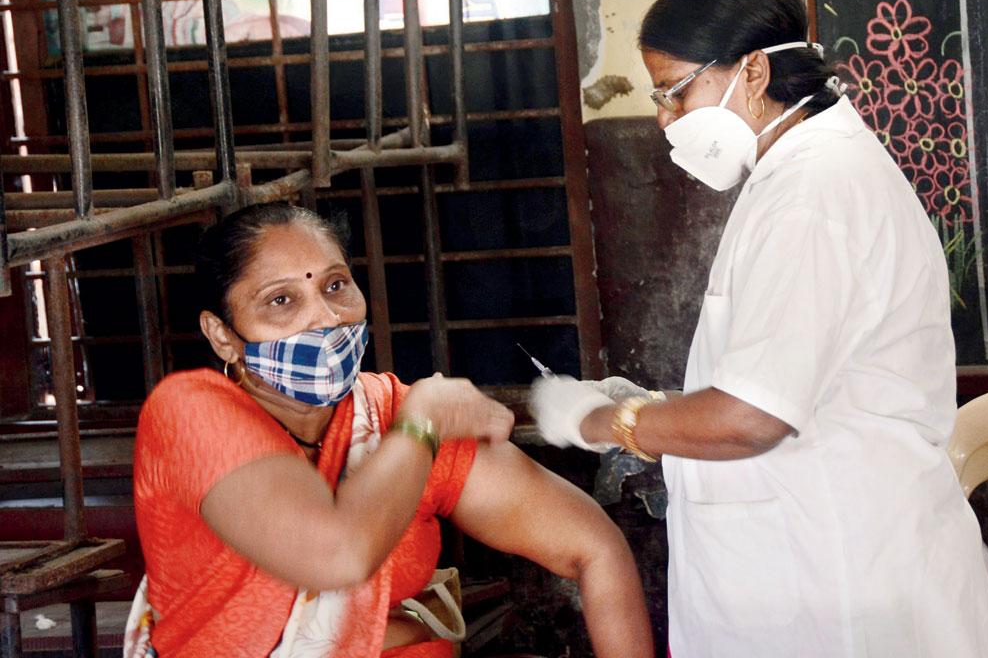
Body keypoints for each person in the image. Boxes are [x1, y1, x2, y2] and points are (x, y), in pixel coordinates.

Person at [530, 0, 988, 658]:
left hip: (839, 589)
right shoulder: (797, 174)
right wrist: (655, 403)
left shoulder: (813, 195)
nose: (663, 119)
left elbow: (752, 417)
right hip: (813, 567)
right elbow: (777, 375)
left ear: (752, 72)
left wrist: (606, 420)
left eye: (674, 93)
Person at [127, 202, 653, 658]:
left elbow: (594, 548)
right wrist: (421, 423)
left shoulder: (390, 412)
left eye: (336, 286)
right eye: (281, 301)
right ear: (223, 335)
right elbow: (336, 556)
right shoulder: (190, 412)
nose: (326, 318)